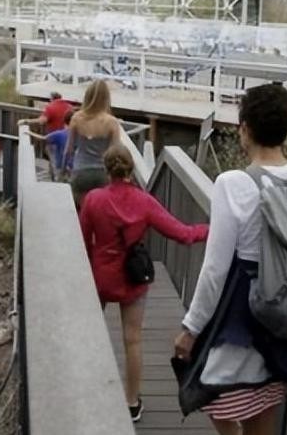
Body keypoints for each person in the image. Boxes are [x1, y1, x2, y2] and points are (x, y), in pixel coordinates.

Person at [173, 84, 287, 435]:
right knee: (264, 407)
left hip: (243, 316)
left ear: (245, 128)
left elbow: (215, 268)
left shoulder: (233, 183)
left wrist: (191, 328)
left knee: (212, 389)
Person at [79, 146, 209, 423]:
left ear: (107, 169)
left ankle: (86, 388)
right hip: (132, 277)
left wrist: (89, 269)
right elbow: (183, 234)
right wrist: (211, 230)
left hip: (100, 277)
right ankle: (131, 402)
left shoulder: (93, 199)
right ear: (130, 169)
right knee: (133, 340)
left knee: (90, 334)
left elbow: (83, 240)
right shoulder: (145, 202)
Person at [65, 80, 122, 210]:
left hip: (80, 172)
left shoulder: (76, 118)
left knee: (80, 210)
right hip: (102, 173)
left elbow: (69, 150)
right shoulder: (112, 122)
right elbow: (116, 153)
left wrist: (64, 170)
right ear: (106, 99)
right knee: (100, 211)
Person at [27, 110, 73, 181]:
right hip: (73, 167)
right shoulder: (79, 134)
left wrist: (29, 133)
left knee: (60, 182)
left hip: (60, 165)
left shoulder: (59, 134)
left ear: (64, 121)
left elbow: (43, 138)